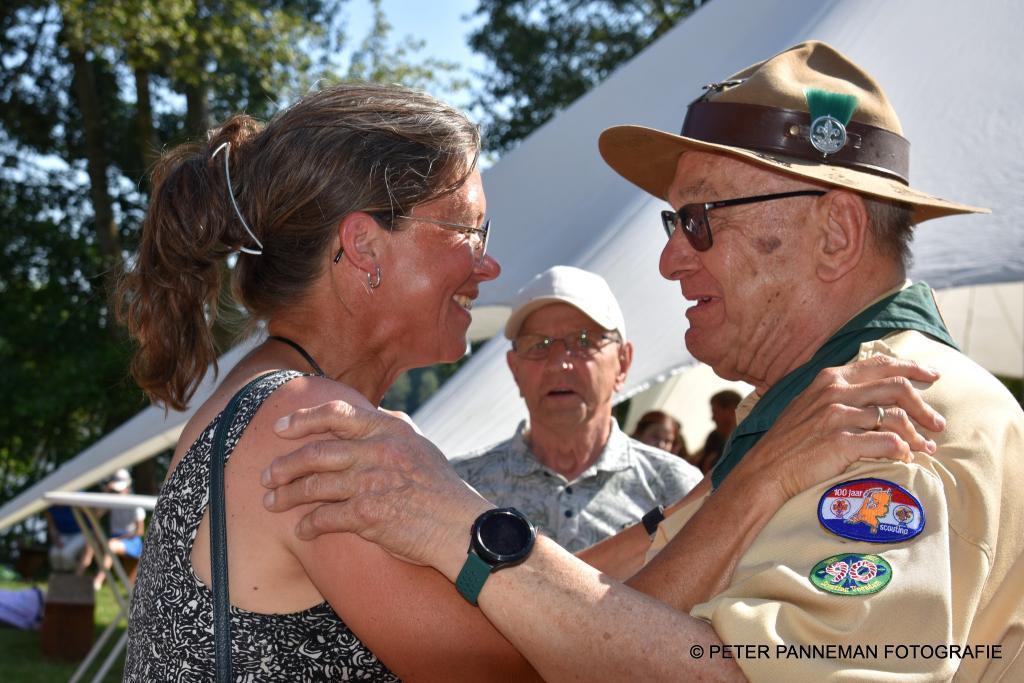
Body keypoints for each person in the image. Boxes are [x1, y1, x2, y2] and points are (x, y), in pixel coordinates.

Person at [260, 41, 1024, 681]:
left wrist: (463, 528)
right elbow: (637, 620)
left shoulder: (895, 418)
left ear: (836, 233)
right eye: (673, 222)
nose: (668, 260)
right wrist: (740, 489)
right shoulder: (812, 416)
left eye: (699, 219)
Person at [116, 82, 541, 680]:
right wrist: (685, 536)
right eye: (469, 231)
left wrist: (656, 533)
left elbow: (537, 619)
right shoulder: (306, 428)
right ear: (364, 246)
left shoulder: (270, 404)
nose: (487, 264)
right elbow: (523, 668)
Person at [454, 266, 701, 551]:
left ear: (623, 363)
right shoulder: (460, 489)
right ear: (514, 368)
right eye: (538, 345)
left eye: (584, 341)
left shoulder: (675, 490)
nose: (559, 363)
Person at [89, 468, 146, 590]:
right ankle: (80, 575)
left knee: (110, 545)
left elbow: (139, 532)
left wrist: (120, 538)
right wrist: (106, 495)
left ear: (128, 487)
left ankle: (98, 580)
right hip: (115, 539)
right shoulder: (112, 501)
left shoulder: (136, 504)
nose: (118, 492)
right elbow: (96, 515)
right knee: (91, 542)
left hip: (131, 541)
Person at [697, 389, 740, 473]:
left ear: (731, 410)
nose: (712, 418)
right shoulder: (714, 438)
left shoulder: (742, 441)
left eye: (715, 412)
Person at [45, 505, 86, 573]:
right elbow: (52, 526)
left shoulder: (75, 505)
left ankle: (72, 573)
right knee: (53, 554)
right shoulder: (51, 508)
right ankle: (60, 574)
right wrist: (56, 540)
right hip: (62, 534)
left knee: (66, 554)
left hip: (80, 534)